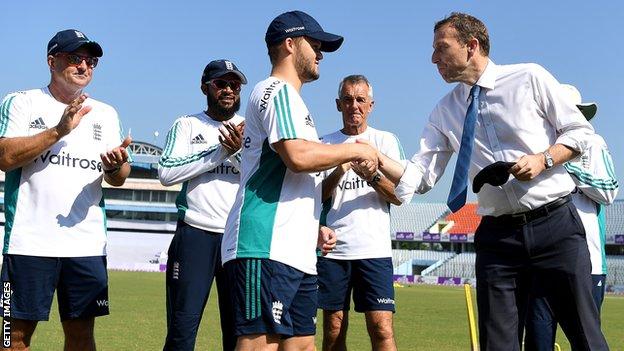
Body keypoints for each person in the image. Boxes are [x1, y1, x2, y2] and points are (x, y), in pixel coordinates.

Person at [378, 12, 609, 351]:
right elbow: (422, 177)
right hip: (498, 239)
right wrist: (376, 161)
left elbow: (580, 132)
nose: (433, 59)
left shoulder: (529, 78)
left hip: (556, 226)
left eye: (441, 48)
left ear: (471, 46)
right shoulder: (445, 111)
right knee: (497, 345)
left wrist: (543, 160)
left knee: (586, 339)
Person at [220, 10, 380, 351]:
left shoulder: (294, 103)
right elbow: (297, 157)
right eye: (316, 44)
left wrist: (314, 226)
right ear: (290, 44)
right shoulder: (276, 91)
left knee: (303, 345)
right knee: (259, 343)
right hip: (263, 244)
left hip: (296, 251)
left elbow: (299, 174)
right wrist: (353, 151)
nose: (321, 54)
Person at [0, 29, 131, 351]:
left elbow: (119, 178)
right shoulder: (21, 102)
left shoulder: (106, 112)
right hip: (28, 242)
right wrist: (59, 130)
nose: (84, 65)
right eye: (75, 58)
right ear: (51, 61)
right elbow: (5, 158)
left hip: (85, 244)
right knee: (13, 336)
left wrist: (116, 165)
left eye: (91, 60)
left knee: (81, 337)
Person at [158, 59, 247, 351]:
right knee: (182, 331)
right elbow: (167, 172)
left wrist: (235, 153)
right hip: (195, 234)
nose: (228, 90)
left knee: (238, 333)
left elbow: (259, 177)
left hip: (238, 239)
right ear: (204, 87)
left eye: (234, 84)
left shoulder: (251, 129)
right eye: (221, 83)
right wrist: (221, 150)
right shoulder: (187, 125)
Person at [524, 85, 618, 351]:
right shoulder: (537, 148)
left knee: (586, 340)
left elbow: (609, 190)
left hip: (586, 261)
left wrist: (562, 163)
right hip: (541, 258)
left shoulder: (593, 142)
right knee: (537, 340)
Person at [318, 74, 403, 351]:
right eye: (347, 99)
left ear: (371, 105)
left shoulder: (386, 141)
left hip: (373, 250)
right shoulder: (324, 144)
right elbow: (315, 196)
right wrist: (340, 166)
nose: (354, 105)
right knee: (333, 329)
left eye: (360, 100)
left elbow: (399, 196)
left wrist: (372, 176)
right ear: (338, 104)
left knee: (381, 329)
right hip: (335, 252)